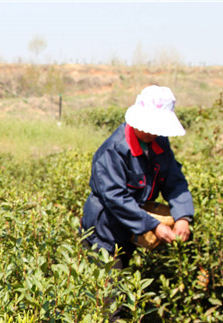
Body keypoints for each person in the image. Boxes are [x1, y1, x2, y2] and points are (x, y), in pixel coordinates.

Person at [81, 85, 194, 268]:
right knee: (108, 290)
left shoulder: (160, 144)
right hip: (104, 233)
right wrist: (153, 225)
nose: (153, 133)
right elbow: (115, 197)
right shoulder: (113, 150)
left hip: (132, 229)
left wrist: (183, 217)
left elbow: (175, 182)